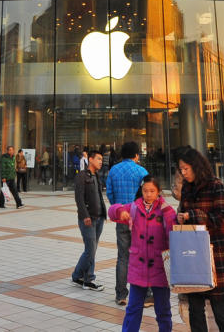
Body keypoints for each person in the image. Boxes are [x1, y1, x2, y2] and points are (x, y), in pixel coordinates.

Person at [176, 147, 224, 332]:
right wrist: (180, 217)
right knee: (195, 308)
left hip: (215, 253)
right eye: (181, 169)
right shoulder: (187, 187)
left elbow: (221, 218)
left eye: (186, 168)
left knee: (219, 307)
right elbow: (183, 212)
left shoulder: (215, 185)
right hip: (193, 255)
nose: (183, 173)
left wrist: (192, 215)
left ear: (197, 166)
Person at [109, 176, 176, 332]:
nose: (148, 194)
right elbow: (112, 211)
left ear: (159, 191)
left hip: (160, 268)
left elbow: (174, 234)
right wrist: (119, 211)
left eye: (152, 191)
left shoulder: (166, 210)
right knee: (133, 309)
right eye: (145, 191)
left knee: (163, 310)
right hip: (138, 267)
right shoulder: (134, 207)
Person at [106, 141, 148, 306]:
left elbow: (109, 192)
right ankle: (144, 294)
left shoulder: (113, 170)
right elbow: (149, 194)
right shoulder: (141, 171)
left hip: (121, 218)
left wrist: (117, 208)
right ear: (136, 155)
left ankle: (121, 295)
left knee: (123, 257)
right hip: (139, 218)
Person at [72, 149, 107, 291]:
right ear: (90, 159)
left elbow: (99, 196)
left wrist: (104, 214)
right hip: (88, 219)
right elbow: (79, 198)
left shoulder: (96, 176)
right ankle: (82, 277)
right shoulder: (82, 176)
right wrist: (85, 215)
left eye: (101, 159)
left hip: (99, 218)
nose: (100, 162)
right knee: (90, 250)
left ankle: (84, 278)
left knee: (92, 249)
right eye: (98, 159)